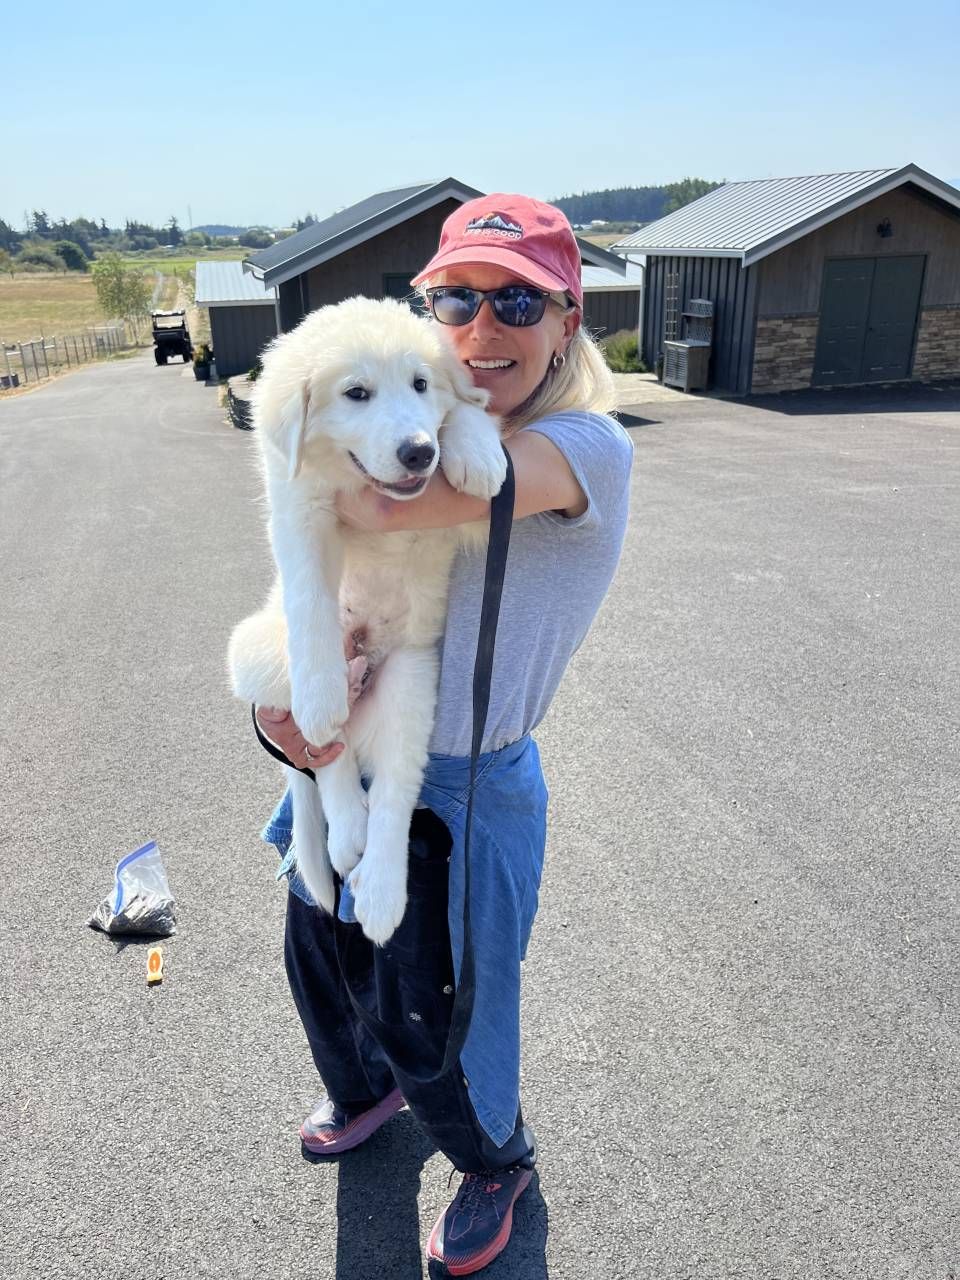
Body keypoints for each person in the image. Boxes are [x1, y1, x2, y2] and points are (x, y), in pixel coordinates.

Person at [255, 193, 634, 1275]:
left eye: (519, 301)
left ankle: (492, 1159)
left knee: (451, 1011)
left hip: (469, 779)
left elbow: (376, 503)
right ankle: (366, 1089)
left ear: (567, 320)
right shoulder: (408, 412)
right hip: (356, 737)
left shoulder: (585, 446)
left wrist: (331, 419)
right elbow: (316, 569)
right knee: (323, 950)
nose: (484, 325)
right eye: (457, 298)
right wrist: (285, 713)